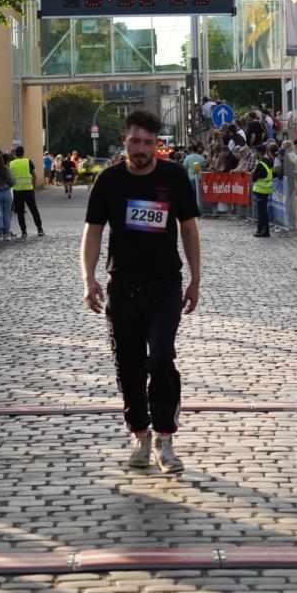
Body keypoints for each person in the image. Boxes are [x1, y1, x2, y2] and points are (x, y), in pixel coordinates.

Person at [81, 109, 200, 475]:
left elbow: (189, 229)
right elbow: (94, 232)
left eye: (149, 142)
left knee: (162, 358)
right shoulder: (109, 180)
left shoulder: (175, 176)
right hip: (123, 287)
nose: (142, 148)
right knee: (129, 365)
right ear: (125, 142)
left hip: (165, 285)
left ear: (157, 145)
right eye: (135, 141)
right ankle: (140, 433)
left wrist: (196, 279)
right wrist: (89, 279)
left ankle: (165, 437)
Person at [10, 144, 44, 236]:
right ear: (23, 153)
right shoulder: (28, 162)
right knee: (34, 210)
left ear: (15, 154)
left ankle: (24, 231)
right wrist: (33, 187)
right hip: (28, 190)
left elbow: (10, 177)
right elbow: (34, 175)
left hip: (17, 191)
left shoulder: (11, 163)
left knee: (20, 212)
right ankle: (40, 229)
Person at [251, 143, 273, 237]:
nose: (255, 154)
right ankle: (262, 230)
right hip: (266, 191)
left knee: (261, 213)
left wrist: (254, 171)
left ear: (259, 152)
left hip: (261, 191)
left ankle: (264, 231)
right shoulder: (267, 161)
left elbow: (254, 178)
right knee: (262, 212)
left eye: (256, 152)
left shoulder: (260, 165)